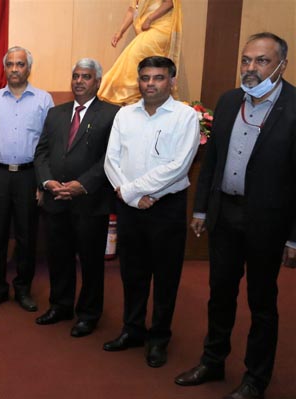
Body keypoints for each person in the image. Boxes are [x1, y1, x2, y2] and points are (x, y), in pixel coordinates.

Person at [174, 32, 295, 399]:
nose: (251, 68)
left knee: (262, 302)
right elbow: (211, 161)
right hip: (224, 214)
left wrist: (293, 236)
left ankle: (256, 378)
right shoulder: (228, 102)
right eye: (246, 60)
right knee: (220, 293)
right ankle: (213, 361)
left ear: (282, 65)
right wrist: (200, 209)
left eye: (261, 61)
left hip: (267, 223)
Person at [103, 56, 199, 368]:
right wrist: (131, 196)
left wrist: (135, 191)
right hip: (130, 207)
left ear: (171, 80)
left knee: (166, 277)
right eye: (145, 78)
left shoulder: (185, 116)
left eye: (158, 78)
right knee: (132, 272)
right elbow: (110, 161)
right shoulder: (125, 115)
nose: (150, 84)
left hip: (165, 208)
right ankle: (132, 330)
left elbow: (178, 166)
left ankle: (158, 338)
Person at [33, 58, 120, 337]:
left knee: (91, 262)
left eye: (86, 77)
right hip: (55, 199)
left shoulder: (112, 114)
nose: (79, 81)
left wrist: (82, 185)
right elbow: (42, 152)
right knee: (58, 258)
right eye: (75, 76)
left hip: (89, 202)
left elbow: (111, 157)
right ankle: (60, 305)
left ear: (98, 81)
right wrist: (47, 182)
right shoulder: (56, 114)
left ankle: (88, 314)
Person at [0, 46, 53, 311]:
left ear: (28, 68)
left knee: (26, 236)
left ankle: (23, 289)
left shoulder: (44, 100)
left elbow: (48, 145)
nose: (15, 69)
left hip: (30, 176)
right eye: (10, 64)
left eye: (20, 64)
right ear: (4, 68)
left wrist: (44, 183)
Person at [98, 0, 182, 105]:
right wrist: (120, 32)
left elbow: (169, 3)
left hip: (162, 26)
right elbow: (132, 10)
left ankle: (130, 99)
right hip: (146, 28)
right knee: (135, 61)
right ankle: (134, 102)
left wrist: (149, 19)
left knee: (134, 55)